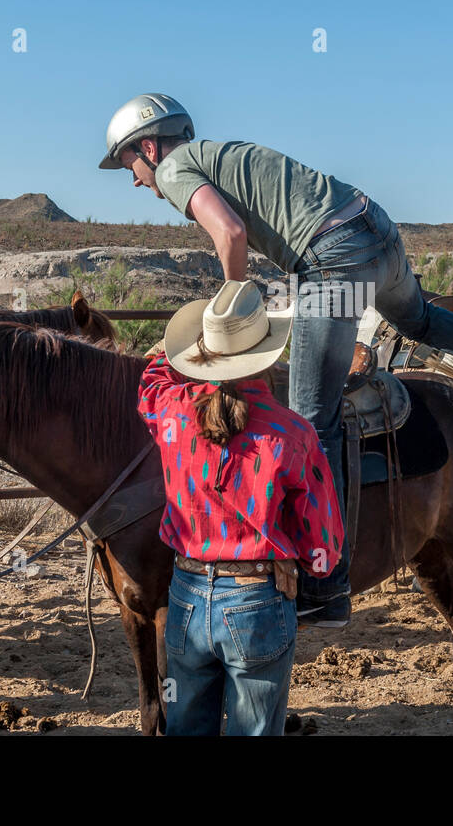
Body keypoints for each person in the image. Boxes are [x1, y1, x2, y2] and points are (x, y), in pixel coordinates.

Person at [101, 93, 453, 628]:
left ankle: (326, 581)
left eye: (128, 165)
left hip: (333, 261)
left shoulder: (173, 168)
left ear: (148, 146)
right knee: (419, 319)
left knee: (310, 416)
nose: (136, 180)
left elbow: (229, 232)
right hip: (376, 230)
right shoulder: (220, 152)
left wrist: (230, 309)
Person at [137, 280, 342, 736]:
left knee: (187, 723)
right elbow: (323, 547)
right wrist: (303, 561)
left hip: (186, 594)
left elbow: (152, 379)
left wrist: (173, 353)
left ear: (204, 352)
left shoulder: (171, 411)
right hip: (257, 601)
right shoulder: (293, 433)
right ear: (267, 353)